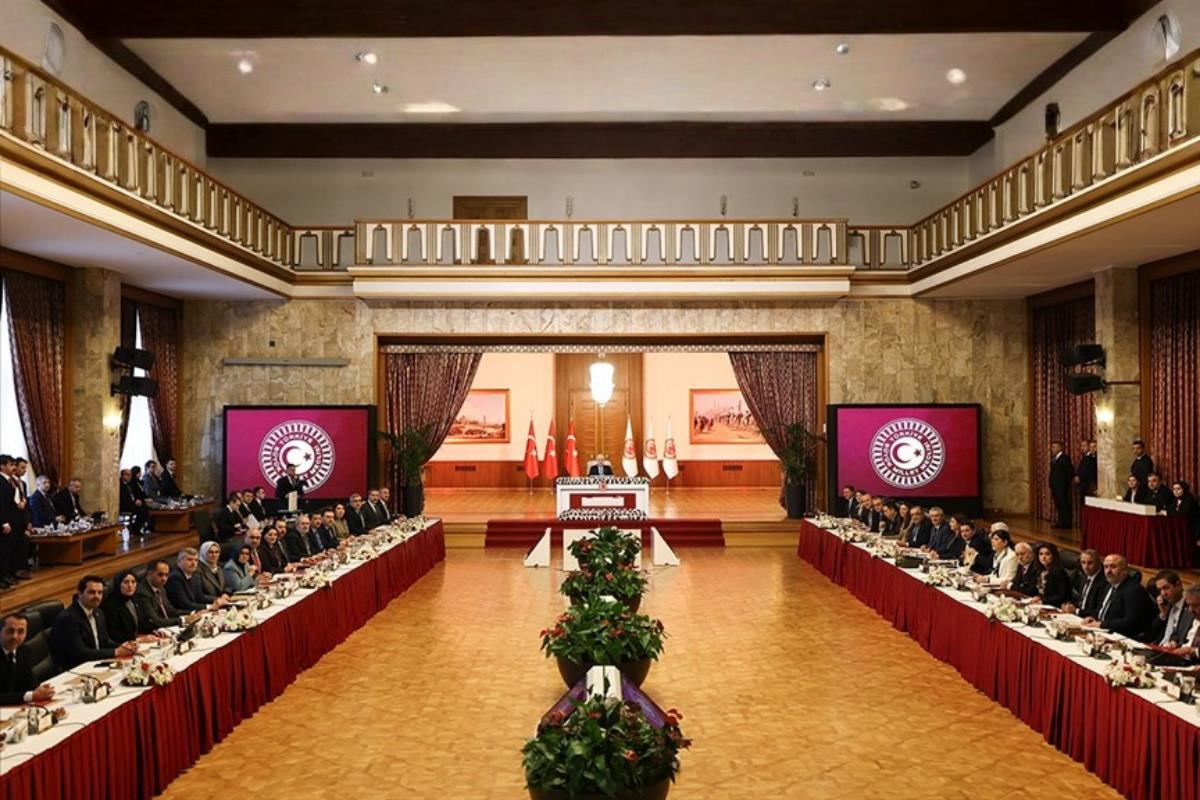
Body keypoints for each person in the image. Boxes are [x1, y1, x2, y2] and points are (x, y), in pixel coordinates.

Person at [50, 575, 136, 669]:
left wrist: (125, 647)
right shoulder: (68, 619)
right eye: (92, 592)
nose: (97, 596)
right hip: (76, 668)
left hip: (96, 662)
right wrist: (116, 651)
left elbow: (105, 641)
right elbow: (80, 653)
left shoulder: (98, 612)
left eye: (100, 593)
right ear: (79, 593)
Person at [1084, 554, 1155, 637]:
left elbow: (1130, 623)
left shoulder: (1133, 590)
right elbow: (1103, 610)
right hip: (1103, 632)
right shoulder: (1109, 585)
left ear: (1125, 571)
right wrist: (1093, 618)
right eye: (1106, 567)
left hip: (1123, 637)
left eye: (1113, 567)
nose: (1108, 571)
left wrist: (1102, 624)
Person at [1, 612, 55, 705]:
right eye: (10, 631)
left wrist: (39, 690)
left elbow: (29, 682)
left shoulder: (23, 650)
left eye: (21, 632)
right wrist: (30, 696)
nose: (15, 636)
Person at [136, 558, 199, 631]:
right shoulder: (143, 593)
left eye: (166, 575)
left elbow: (170, 611)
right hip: (154, 631)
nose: (164, 578)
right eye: (160, 574)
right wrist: (183, 620)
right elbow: (156, 621)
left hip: (167, 627)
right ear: (149, 574)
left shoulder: (160, 587)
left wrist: (193, 613)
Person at [1144, 571, 1194, 647]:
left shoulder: (1190, 607)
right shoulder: (1166, 605)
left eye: (1166, 588)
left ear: (1178, 585)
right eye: (1160, 590)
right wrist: (1163, 614)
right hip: (1158, 646)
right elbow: (1152, 632)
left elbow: (1184, 638)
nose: (1163, 593)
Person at [101, 569, 145, 644]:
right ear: (118, 584)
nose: (130, 585)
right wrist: (138, 638)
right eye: (126, 582)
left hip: (138, 641)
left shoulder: (136, 598)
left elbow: (144, 623)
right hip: (123, 645)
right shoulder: (110, 605)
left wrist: (154, 631)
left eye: (133, 582)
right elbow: (114, 635)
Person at [1063, 549, 1106, 617]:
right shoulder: (1082, 577)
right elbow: (1080, 600)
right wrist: (1068, 606)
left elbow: (1099, 612)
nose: (1086, 567)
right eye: (1083, 563)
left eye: (1090, 563)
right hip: (1077, 616)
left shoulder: (1104, 583)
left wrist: (1076, 610)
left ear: (1098, 563)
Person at [1162, 586, 1200, 661]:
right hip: (1178, 660)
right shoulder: (1187, 614)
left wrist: (1195, 651)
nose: (1190, 609)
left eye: (1195, 605)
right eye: (1188, 605)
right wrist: (1173, 643)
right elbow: (1176, 634)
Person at [1034, 543, 1072, 607]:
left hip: (1056, 607)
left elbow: (1062, 596)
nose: (1043, 557)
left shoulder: (1059, 573)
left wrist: (1043, 601)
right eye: (1041, 554)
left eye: (1047, 554)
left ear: (1054, 556)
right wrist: (1038, 597)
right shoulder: (1041, 571)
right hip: (1043, 605)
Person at [1048, 440, 1073, 529]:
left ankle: (1066, 523)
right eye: (1052, 447)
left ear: (1060, 448)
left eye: (1054, 447)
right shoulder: (1054, 459)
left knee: (1063, 504)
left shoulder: (1065, 458)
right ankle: (1061, 521)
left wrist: (1065, 484)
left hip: (1061, 486)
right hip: (1055, 486)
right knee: (1058, 504)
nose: (1052, 449)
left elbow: (1069, 472)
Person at [119, 468, 151, 538]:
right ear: (122, 475)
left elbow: (136, 494)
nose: (129, 477)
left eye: (130, 475)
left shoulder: (130, 484)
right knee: (142, 510)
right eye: (126, 475)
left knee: (145, 509)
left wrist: (138, 500)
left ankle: (136, 528)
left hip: (132, 504)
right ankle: (135, 528)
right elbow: (123, 499)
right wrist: (134, 502)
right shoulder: (120, 486)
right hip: (125, 505)